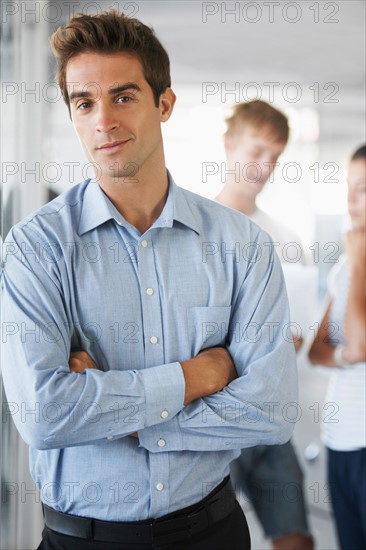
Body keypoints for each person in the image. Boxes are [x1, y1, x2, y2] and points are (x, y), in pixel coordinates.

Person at [1, 11, 298, 550]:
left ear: (163, 104)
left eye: (123, 96)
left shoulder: (242, 246)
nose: (103, 121)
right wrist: (193, 377)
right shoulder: (36, 248)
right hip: (82, 540)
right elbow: (45, 415)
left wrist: (128, 420)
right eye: (84, 103)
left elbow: (271, 410)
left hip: (213, 530)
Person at [216, 100, 313, 550]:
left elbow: (296, 335)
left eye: (274, 157)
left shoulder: (287, 241)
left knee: (295, 537)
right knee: (213, 535)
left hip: (269, 419)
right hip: (215, 421)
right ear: (228, 145)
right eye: (255, 151)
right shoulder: (195, 230)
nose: (263, 166)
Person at [308, 145, 366, 550]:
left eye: (361, 189)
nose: (350, 200)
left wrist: (360, 257)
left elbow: (357, 342)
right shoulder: (346, 269)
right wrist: (343, 356)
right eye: (349, 187)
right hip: (338, 438)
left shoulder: (355, 263)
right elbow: (317, 350)